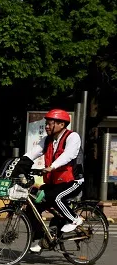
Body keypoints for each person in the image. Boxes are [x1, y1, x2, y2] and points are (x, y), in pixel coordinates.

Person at [21, 108, 84, 253]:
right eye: (47, 124)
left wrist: (52, 166)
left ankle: (75, 219)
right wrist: (20, 164)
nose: (47, 127)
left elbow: (68, 155)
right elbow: (32, 153)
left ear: (61, 124)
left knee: (57, 198)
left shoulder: (72, 137)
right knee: (33, 204)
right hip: (54, 183)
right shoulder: (48, 140)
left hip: (73, 182)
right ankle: (43, 238)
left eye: (50, 124)